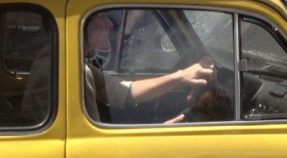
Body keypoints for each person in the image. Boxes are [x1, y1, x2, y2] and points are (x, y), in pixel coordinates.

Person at [82, 12, 213, 123]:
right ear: (83, 22)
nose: (110, 25)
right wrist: (157, 134)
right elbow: (91, 144)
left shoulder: (83, 67)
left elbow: (126, 93)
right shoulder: (80, 73)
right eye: (101, 17)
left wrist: (180, 76)